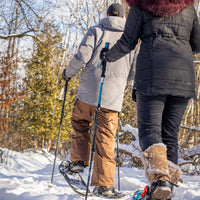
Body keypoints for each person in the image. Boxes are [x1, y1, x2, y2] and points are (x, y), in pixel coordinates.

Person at [100, 0, 200, 199]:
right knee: (170, 134)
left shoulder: (141, 4)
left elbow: (128, 42)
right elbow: (197, 43)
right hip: (183, 78)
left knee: (149, 130)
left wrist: (107, 56)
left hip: (152, 74)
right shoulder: (188, 6)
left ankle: (161, 180)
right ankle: (167, 187)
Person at [62, 3, 136, 198]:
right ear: (123, 17)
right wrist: (119, 80)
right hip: (112, 97)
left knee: (80, 122)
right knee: (105, 137)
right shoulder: (132, 38)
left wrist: (68, 74)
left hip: (88, 91)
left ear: (106, 14)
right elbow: (133, 72)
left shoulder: (96, 30)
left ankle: (78, 162)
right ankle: (104, 184)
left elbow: (81, 56)